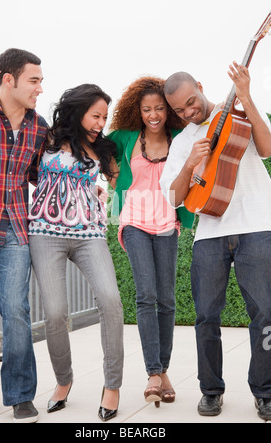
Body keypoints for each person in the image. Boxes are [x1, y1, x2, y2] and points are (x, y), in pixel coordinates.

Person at [160, 63, 271, 420]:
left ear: (201, 87)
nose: (189, 112)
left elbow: (267, 149)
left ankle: (265, 391)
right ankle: (211, 390)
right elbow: (175, 197)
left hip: (257, 224)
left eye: (192, 102)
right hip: (209, 233)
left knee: (267, 314)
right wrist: (189, 164)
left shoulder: (238, 115)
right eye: (179, 110)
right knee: (206, 316)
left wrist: (245, 96)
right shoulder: (181, 143)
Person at [28, 84, 124, 422]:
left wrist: (103, 194)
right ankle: (63, 380)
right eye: (96, 115)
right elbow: (28, 174)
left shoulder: (105, 148)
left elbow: (119, 184)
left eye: (105, 117)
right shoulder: (45, 137)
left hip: (89, 234)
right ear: (78, 110)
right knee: (54, 313)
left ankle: (112, 386)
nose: (101, 122)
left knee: (111, 300)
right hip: (44, 232)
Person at [0, 48, 48, 423]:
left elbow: (41, 177)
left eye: (40, 81)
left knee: (17, 310)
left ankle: (20, 395)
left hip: (16, 227)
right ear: (8, 80)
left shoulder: (40, 127)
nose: (39, 89)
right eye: (33, 81)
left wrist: (90, 186)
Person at [108, 77, 191, 407]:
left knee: (168, 299)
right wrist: (112, 177)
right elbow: (92, 143)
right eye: (146, 109)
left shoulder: (182, 138)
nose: (153, 114)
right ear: (137, 111)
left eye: (159, 108)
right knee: (147, 295)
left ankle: (163, 370)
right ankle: (153, 373)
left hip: (168, 223)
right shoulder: (126, 138)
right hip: (134, 223)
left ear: (169, 110)